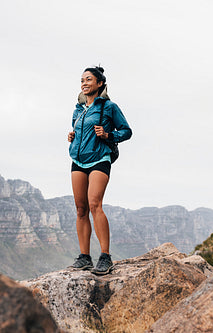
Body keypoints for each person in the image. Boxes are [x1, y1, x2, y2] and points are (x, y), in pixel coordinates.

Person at [67, 66, 132, 275]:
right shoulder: (78, 109)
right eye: (82, 80)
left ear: (100, 83)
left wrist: (107, 134)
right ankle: (84, 257)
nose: (84, 83)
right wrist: (72, 137)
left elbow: (126, 131)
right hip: (78, 160)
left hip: (100, 158)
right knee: (80, 208)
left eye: (88, 80)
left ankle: (105, 257)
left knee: (95, 204)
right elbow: (78, 131)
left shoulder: (109, 107)